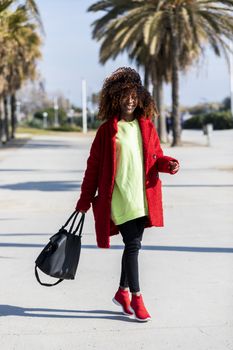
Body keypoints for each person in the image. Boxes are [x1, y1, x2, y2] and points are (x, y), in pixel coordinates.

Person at [75, 67, 179, 322]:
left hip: (142, 197)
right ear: (115, 99)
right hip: (118, 198)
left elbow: (156, 158)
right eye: (125, 96)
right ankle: (137, 296)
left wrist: (169, 164)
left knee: (133, 247)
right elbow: (93, 167)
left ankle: (122, 292)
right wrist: (85, 199)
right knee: (132, 245)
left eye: (134, 96)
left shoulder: (147, 127)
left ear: (140, 97)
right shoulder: (106, 131)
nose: (130, 100)